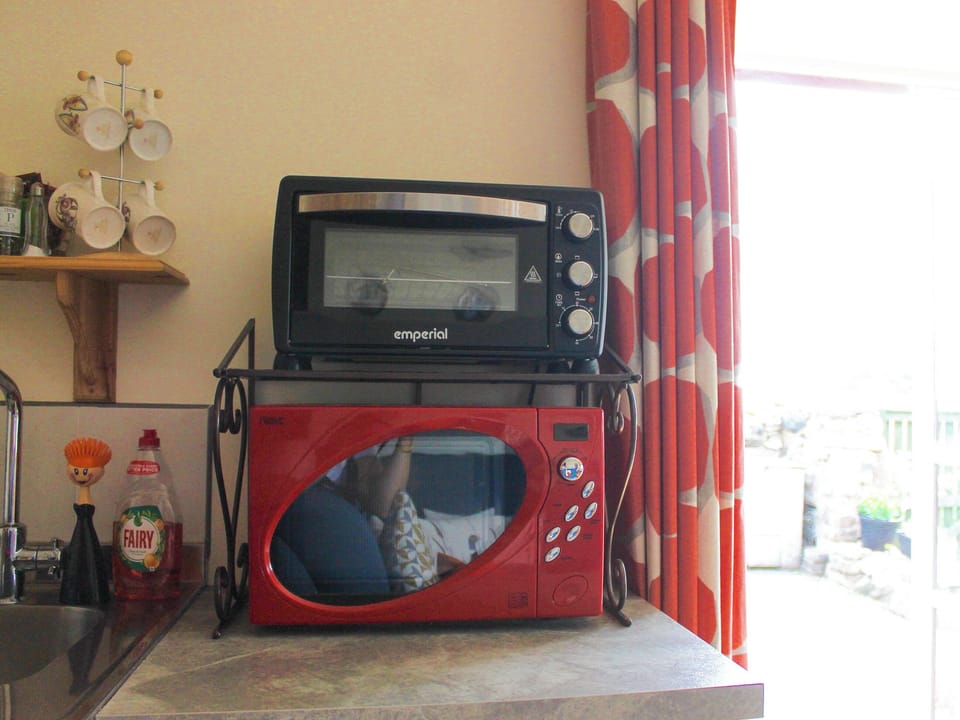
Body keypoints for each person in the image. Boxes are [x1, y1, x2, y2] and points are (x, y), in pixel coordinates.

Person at [270, 437, 414, 600]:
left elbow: (382, 505)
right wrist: (342, 436)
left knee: (374, 592)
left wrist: (405, 441)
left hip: (345, 508)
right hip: (305, 498)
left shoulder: (361, 435)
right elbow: (285, 486)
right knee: (367, 593)